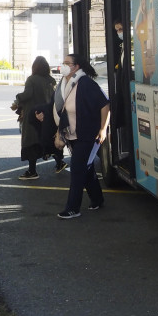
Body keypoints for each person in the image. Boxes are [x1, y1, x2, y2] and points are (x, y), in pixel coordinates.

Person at [37, 53, 109, 219]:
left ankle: (72, 208)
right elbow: (57, 108)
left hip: (88, 134)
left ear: (76, 67)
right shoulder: (63, 83)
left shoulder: (86, 83)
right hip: (71, 133)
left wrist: (103, 129)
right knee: (86, 167)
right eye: (63, 62)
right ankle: (97, 199)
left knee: (77, 169)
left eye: (67, 63)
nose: (64, 65)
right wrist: (45, 116)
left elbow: (105, 105)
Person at [15, 56, 65, 180]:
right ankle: (60, 163)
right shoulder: (51, 80)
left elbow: (27, 95)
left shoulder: (31, 79)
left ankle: (32, 171)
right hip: (48, 114)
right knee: (49, 139)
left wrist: (18, 98)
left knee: (32, 142)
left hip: (33, 114)